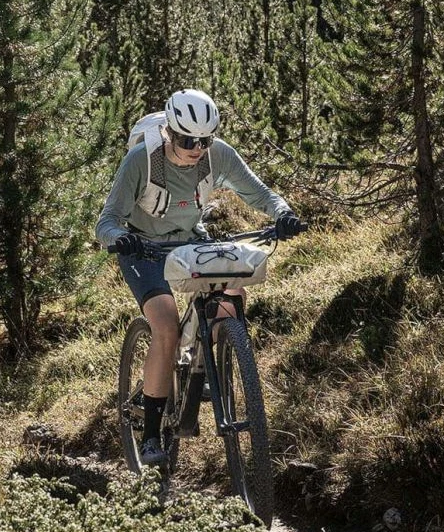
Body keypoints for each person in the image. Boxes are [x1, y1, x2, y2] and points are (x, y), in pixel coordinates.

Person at [96, 88, 305, 466]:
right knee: (165, 326)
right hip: (142, 249)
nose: (197, 149)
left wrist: (283, 214)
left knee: (233, 292)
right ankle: (151, 434)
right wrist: (120, 239)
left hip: (191, 240)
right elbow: (107, 221)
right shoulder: (141, 161)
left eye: (204, 140)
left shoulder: (217, 154)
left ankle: (208, 363)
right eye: (188, 141)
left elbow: (259, 193)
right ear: (170, 133)